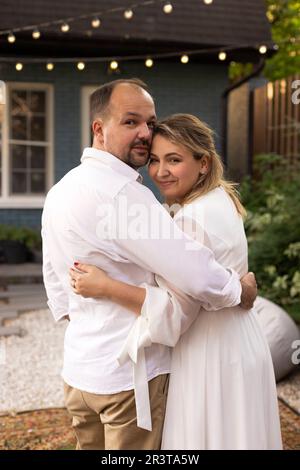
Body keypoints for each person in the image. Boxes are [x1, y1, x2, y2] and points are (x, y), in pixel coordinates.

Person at [42, 79, 256, 451]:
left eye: (149, 122)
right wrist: (241, 289)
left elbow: (56, 286)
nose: (144, 132)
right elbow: (195, 273)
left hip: (79, 373)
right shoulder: (126, 196)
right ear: (99, 128)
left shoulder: (61, 189)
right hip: (130, 378)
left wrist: (88, 323)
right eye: (130, 122)